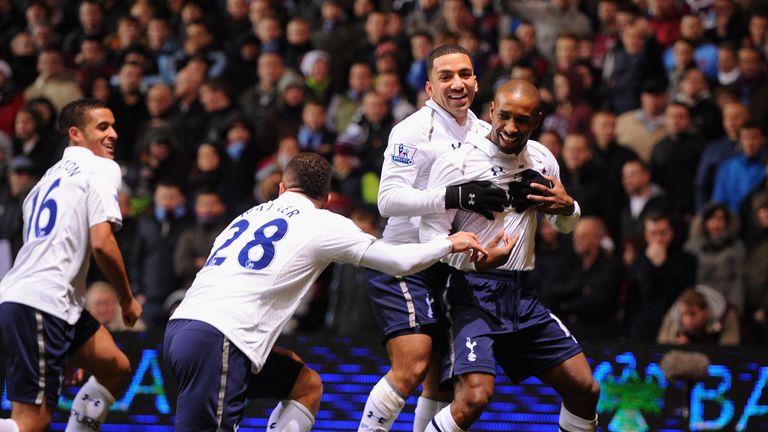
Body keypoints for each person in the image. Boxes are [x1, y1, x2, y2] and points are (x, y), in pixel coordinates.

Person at [163, 152, 490, 432]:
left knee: (304, 384)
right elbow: (397, 260)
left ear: (281, 188)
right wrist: (450, 242)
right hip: (219, 339)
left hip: (183, 329)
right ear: (328, 198)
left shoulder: (245, 216)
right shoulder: (322, 222)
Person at [419, 79, 600, 432]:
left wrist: (570, 209)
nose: (511, 128)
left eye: (522, 120)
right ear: (490, 112)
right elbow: (431, 240)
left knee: (585, 388)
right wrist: (476, 259)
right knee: (474, 398)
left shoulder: (543, 159)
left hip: (520, 294)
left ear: (537, 121)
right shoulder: (457, 163)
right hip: (469, 292)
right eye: (504, 116)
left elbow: (562, 225)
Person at [359, 44, 508, 432]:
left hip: (451, 265)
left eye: (464, 74)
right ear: (429, 88)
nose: (457, 83)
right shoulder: (411, 130)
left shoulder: (483, 133)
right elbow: (387, 200)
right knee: (414, 361)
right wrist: (453, 196)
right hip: (404, 260)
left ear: (476, 80)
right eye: (446, 76)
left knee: (439, 381)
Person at [0, 98, 143, 432]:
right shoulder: (101, 167)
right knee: (33, 422)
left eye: (114, 125)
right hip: (40, 304)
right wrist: (126, 298)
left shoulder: (40, 185)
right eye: (103, 127)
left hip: (48, 302)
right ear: (75, 134)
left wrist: (64, 347)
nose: (114, 134)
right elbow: (102, 244)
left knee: (115, 367)